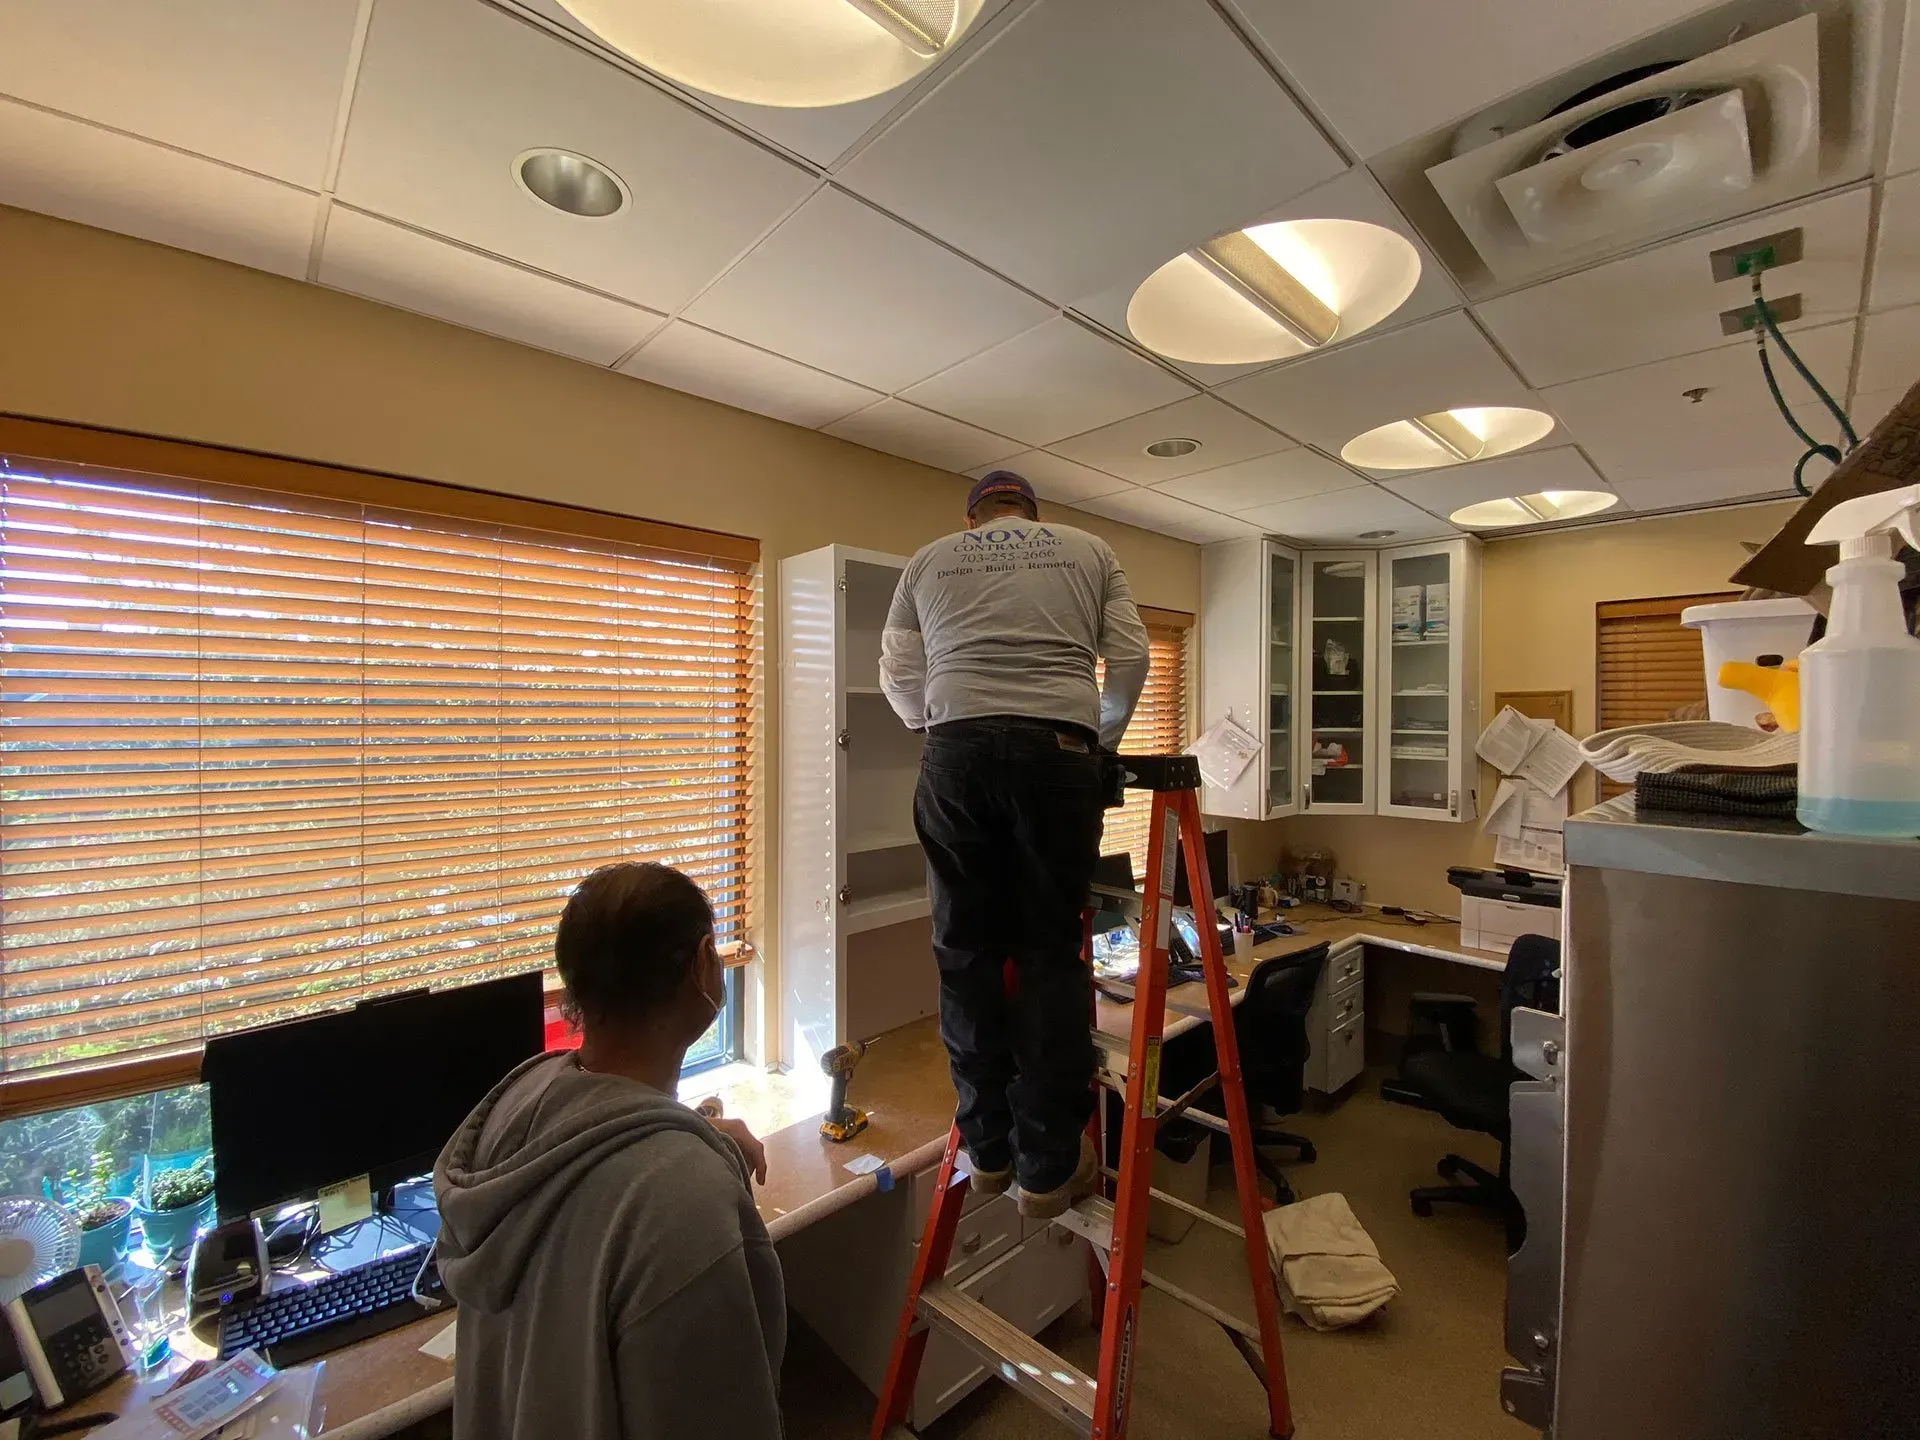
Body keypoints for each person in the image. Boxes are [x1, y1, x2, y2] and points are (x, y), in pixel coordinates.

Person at [432, 863, 783, 1440]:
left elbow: (592, 1176)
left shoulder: (517, 1103)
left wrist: (700, 1141)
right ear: (702, 964)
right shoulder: (685, 1207)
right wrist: (693, 1164)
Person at [881, 470, 1149, 1218]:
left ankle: (988, 1150)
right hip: (1056, 751)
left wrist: (936, 730)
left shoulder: (932, 559)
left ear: (973, 518)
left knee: (964, 950)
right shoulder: (1088, 548)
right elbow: (1128, 658)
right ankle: (1048, 1165)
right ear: (1034, 513)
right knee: (1046, 953)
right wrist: (1097, 738)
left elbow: (900, 671)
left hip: (955, 751)